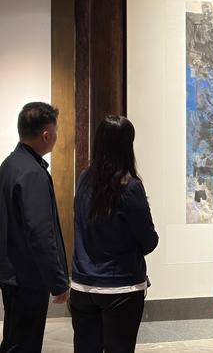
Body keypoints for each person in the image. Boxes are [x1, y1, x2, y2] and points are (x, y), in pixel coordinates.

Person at [70, 116, 159, 353]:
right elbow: (149, 241)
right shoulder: (130, 187)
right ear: (127, 145)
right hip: (121, 287)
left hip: (82, 285)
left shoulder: (84, 178)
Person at [0, 102, 69, 353]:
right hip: (28, 276)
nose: (56, 136)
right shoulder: (33, 172)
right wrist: (58, 281)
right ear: (46, 134)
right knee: (25, 344)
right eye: (55, 130)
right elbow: (40, 233)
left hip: (12, 272)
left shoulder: (10, 164)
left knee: (14, 340)